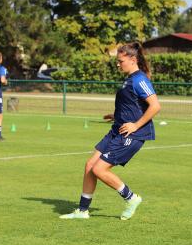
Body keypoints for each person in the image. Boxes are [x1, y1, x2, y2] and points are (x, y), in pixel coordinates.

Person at [60, 43, 161, 220]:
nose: (117, 64)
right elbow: (132, 105)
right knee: (90, 166)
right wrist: (116, 115)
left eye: (120, 61)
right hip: (117, 130)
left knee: (99, 169)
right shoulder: (128, 79)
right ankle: (82, 211)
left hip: (131, 134)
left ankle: (131, 198)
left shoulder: (140, 79)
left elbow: (155, 106)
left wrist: (135, 126)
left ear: (132, 60)